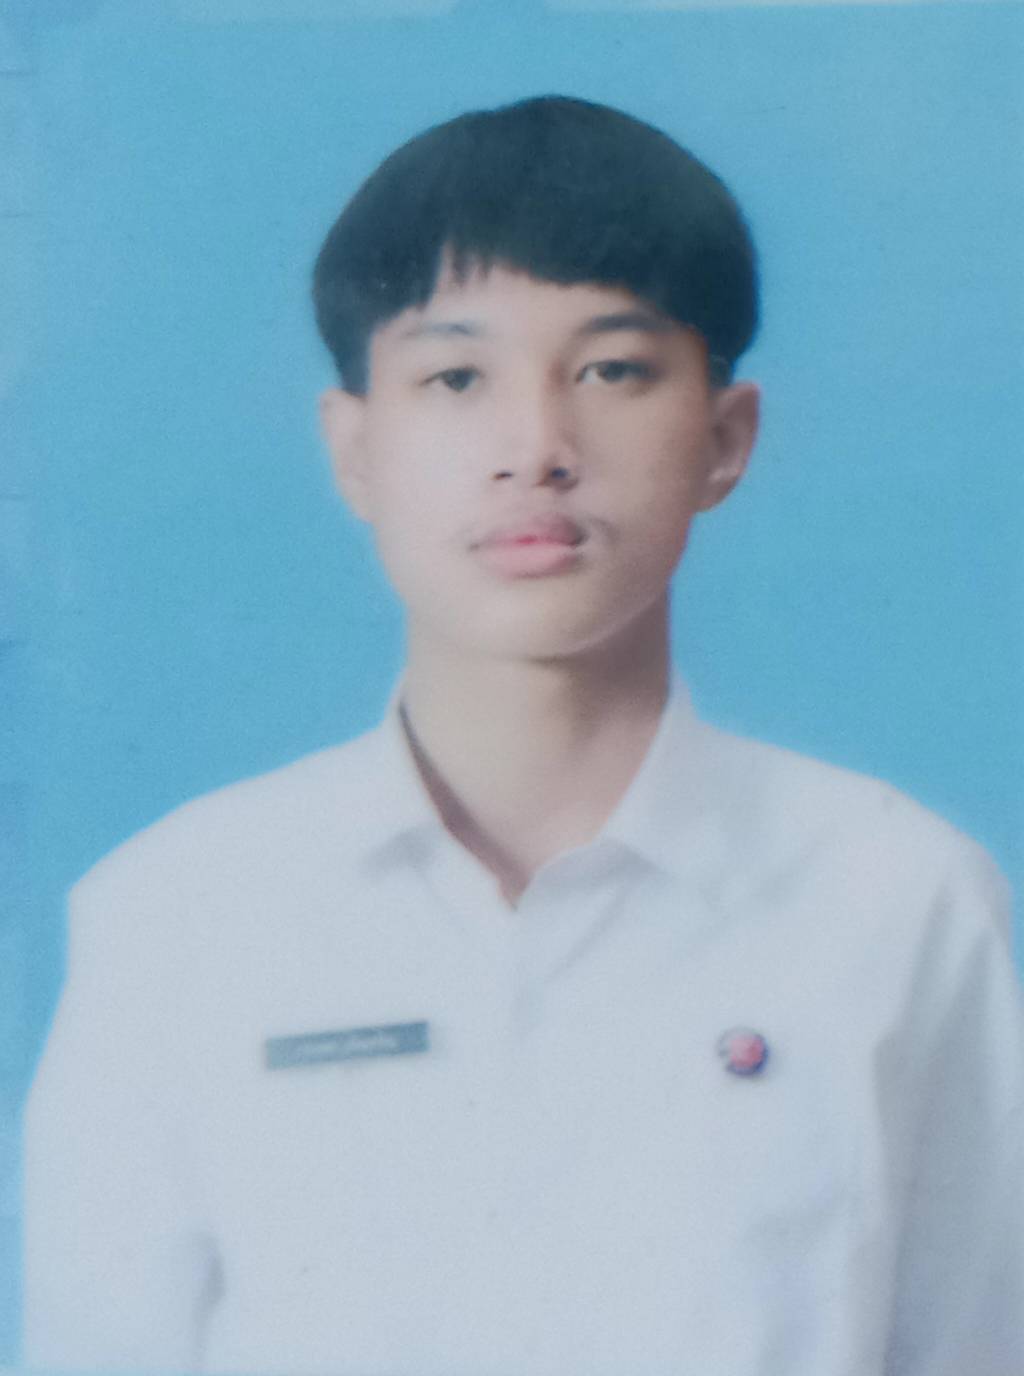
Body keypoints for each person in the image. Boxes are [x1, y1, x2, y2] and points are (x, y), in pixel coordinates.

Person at [23, 95, 1024, 1376]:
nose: (535, 449)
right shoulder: (175, 915)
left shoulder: (897, 896)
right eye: (455, 377)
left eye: (612, 370)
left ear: (724, 437)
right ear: (354, 449)